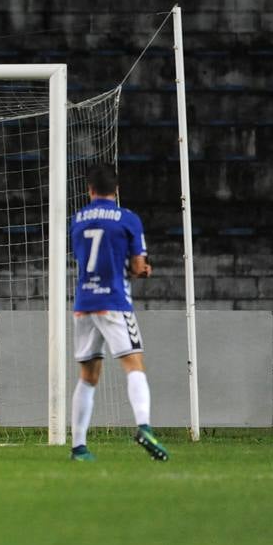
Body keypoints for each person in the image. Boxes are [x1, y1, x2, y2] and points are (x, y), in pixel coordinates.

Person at [68, 163, 169, 462]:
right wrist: (142, 271)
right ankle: (144, 427)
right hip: (113, 302)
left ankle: (79, 447)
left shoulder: (77, 219)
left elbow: (84, 257)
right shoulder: (127, 219)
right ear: (117, 190)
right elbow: (137, 266)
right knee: (134, 364)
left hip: (84, 303)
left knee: (88, 376)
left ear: (89, 190)